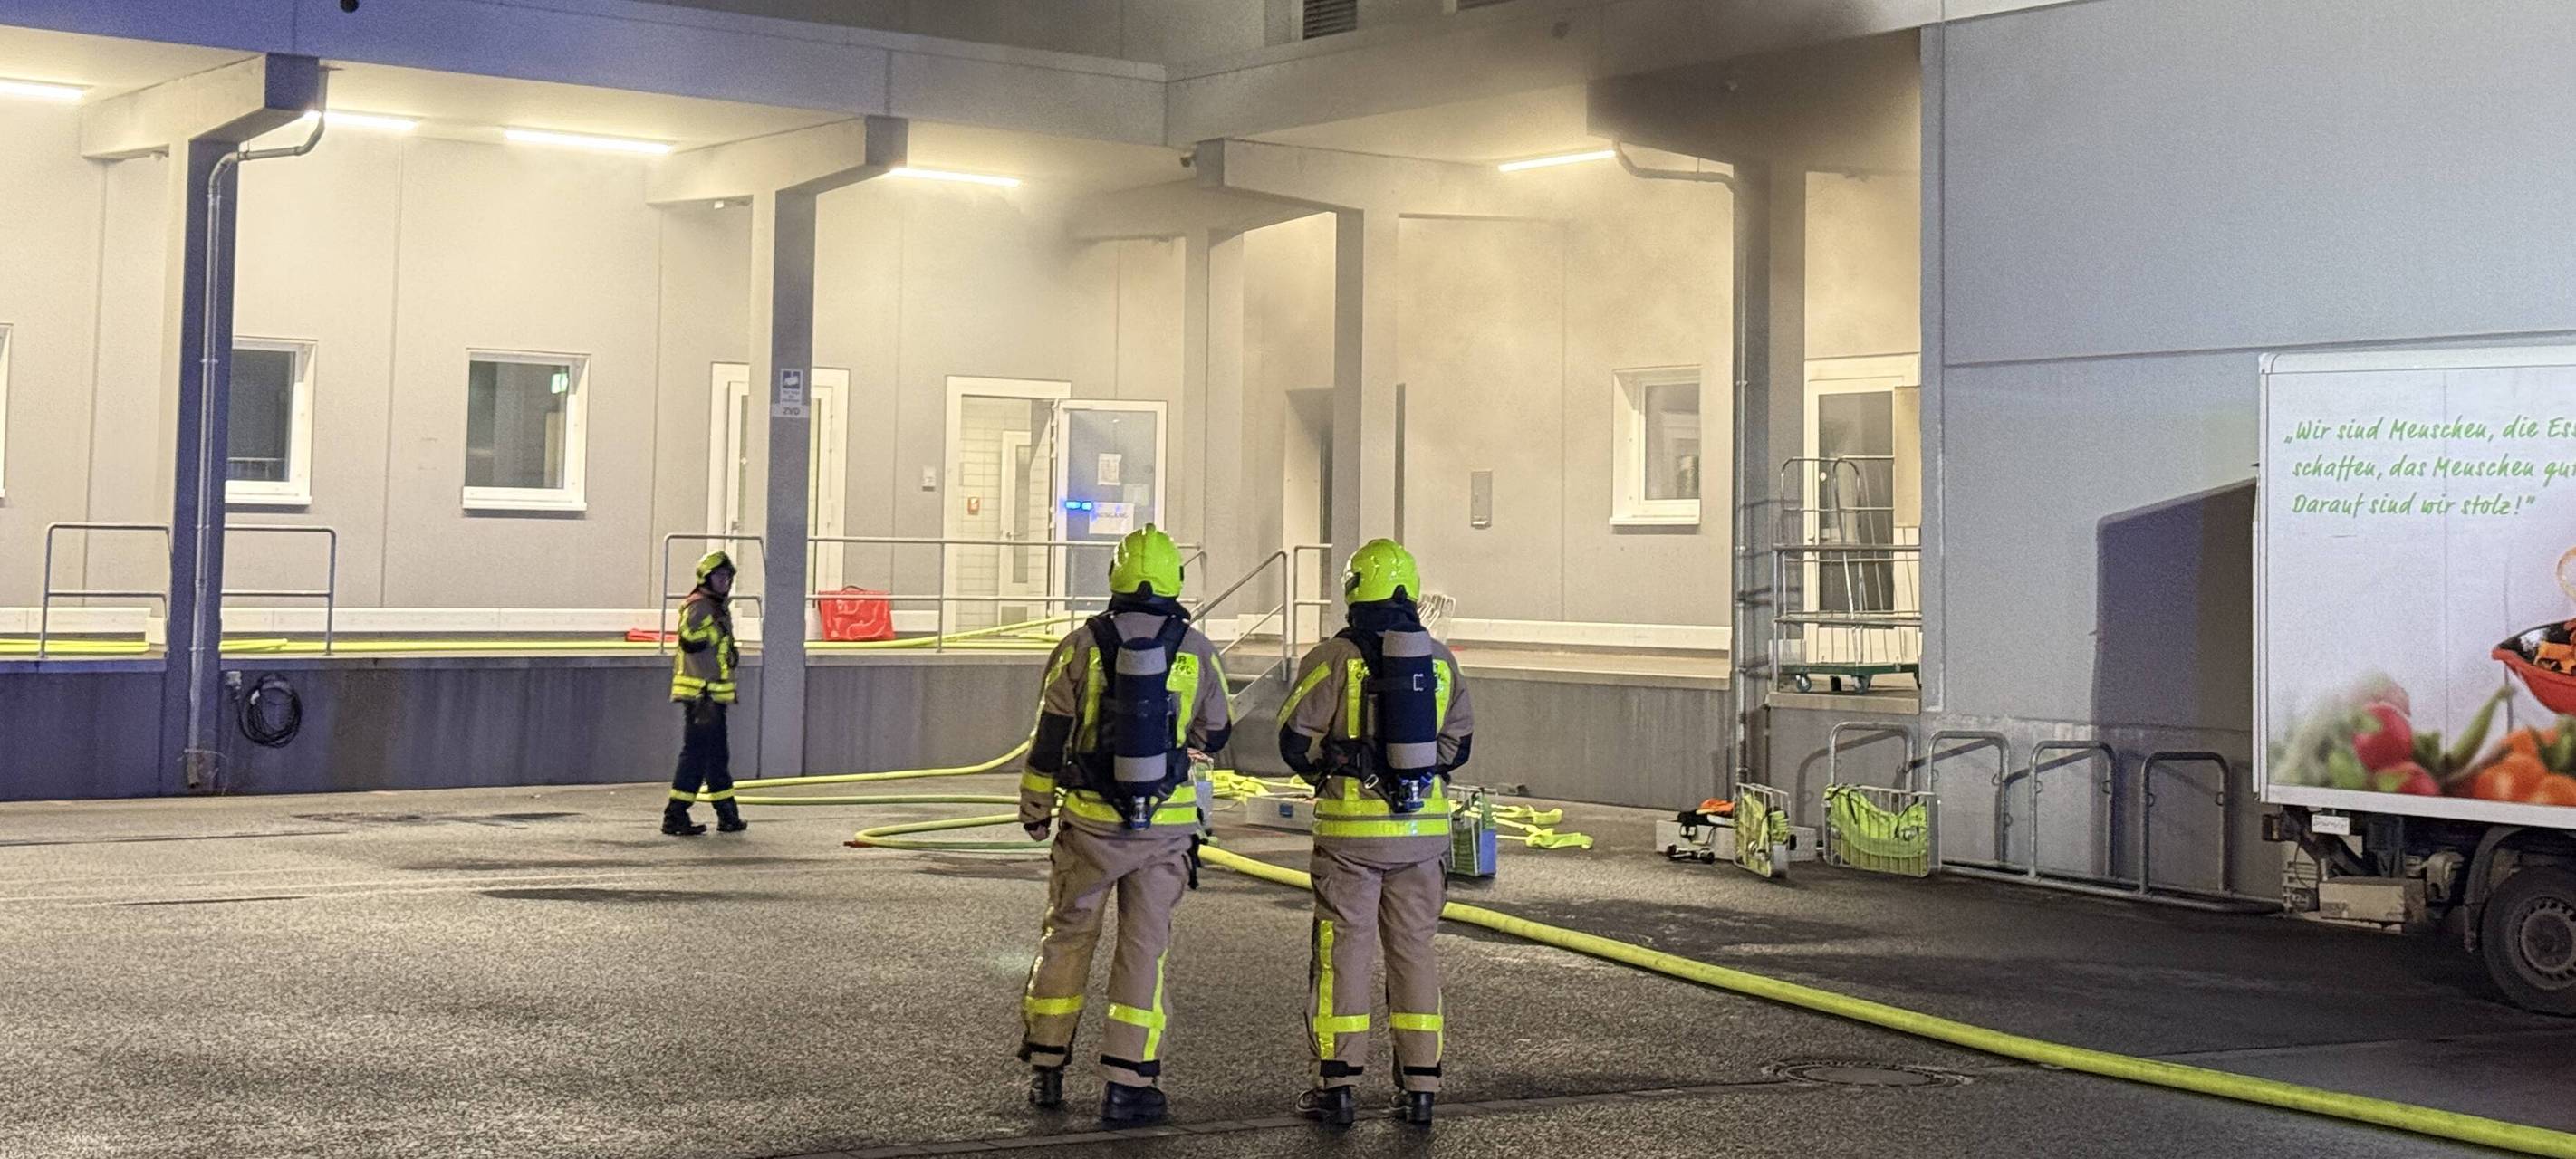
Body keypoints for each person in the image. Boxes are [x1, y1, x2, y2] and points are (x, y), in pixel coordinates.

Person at [1016, 525, 1232, 1126]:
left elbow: (1048, 740)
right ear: (1174, 581)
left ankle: (1048, 1065)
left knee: (1067, 938)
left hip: (1088, 824)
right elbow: (1216, 733)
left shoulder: (1080, 646)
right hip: (1163, 832)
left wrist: (1035, 809)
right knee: (1144, 949)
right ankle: (1129, 1084)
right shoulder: (1197, 650)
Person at [1275, 539, 1475, 1127]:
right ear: (1409, 592)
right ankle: (1420, 1088)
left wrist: (1332, 771)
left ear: (1353, 589)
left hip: (1351, 843)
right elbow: (1457, 746)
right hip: (1423, 838)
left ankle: (1335, 1088)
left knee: (1343, 956)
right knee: (1413, 953)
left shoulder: (1334, 658)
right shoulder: (1439, 661)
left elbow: (1293, 739)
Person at [664, 551, 745, 838]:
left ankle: (728, 815)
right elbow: (690, 640)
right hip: (702, 697)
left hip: (712, 696)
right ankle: (675, 815)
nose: (725, 582)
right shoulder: (700, 607)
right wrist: (716, 630)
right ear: (705, 578)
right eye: (720, 576)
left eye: (728, 577)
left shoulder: (716, 607)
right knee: (697, 757)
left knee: (715, 757)